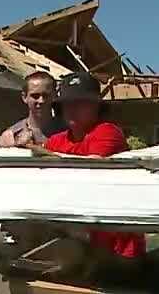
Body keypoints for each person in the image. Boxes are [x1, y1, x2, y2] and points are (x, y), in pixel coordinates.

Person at [45, 72, 146, 259]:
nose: (72, 108)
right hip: (73, 240)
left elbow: (88, 172)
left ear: (96, 106)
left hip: (116, 250)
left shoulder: (108, 132)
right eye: (67, 103)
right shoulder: (55, 141)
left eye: (80, 103)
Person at [0, 71, 65, 148]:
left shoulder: (70, 133)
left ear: (55, 96)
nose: (41, 101)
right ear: (24, 97)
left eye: (46, 95)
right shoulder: (10, 137)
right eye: (35, 96)